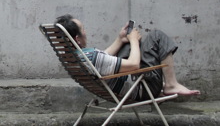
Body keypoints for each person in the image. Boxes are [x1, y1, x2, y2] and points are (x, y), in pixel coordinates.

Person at [54, 15, 200, 98]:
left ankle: (164, 84)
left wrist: (120, 39)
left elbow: (103, 58)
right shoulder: (91, 56)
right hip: (140, 90)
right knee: (157, 36)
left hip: (117, 87)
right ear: (77, 39)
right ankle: (170, 85)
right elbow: (134, 65)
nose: (86, 32)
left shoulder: (76, 57)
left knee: (127, 46)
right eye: (83, 29)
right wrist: (134, 40)